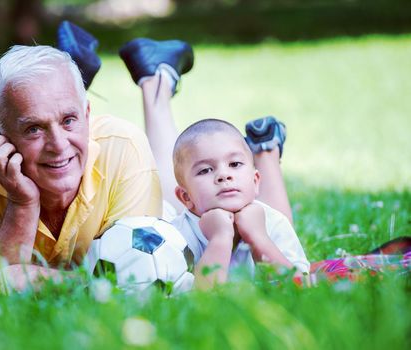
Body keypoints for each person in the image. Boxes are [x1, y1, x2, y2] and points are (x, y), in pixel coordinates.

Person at [0, 36, 163, 274]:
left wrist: (34, 279)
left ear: (87, 116)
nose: (57, 145)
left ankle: (157, 78)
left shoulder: (123, 146)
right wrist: (21, 203)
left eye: (69, 120)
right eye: (33, 129)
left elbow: (134, 278)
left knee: (179, 179)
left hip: (166, 206)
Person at [117, 37, 309, 288]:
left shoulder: (272, 223)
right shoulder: (176, 237)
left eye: (235, 165)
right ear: (185, 198)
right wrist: (220, 238)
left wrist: (258, 237)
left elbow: (298, 289)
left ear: (255, 180)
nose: (223, 176)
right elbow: (201, 303)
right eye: (207, 170)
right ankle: (265, 146)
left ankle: (264, 151)